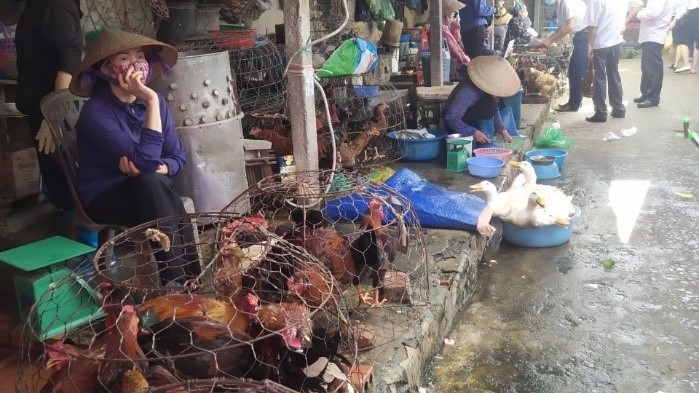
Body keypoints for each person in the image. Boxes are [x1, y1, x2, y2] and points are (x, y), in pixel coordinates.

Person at [70, 29, 200, 286]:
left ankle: (184, 280)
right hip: (105, 196)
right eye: (124, 58)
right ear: (106, 69)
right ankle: (180, 280)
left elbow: (177, 157)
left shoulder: (157, 102)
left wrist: (157, 168)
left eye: (140, 56)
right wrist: (150, 99)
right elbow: (147, 162)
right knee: (154, 186)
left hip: (150, 190)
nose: (135, 64)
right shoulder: (96, 111)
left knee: (153, 183)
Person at [15, 0, 82, 211]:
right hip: (43, 107)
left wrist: (54, 117)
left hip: (51, 110)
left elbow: (67, 63)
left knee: (64, 180)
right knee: (57, 178)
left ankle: (83, 239)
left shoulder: (54, 4)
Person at [443, 56, 519, 150]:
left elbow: (494, 109)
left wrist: (503, 131)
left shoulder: (489, 91)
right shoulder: (468, 91)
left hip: (477, 127)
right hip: (459, 129)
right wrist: (474, 132)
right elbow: (451, 118)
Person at [583, 0, 633, 123]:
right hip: (616, 41)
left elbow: (593, 25)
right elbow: (637, 6)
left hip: (601, 42)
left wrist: (589, 43)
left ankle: (601, 112)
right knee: (614, 73)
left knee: (599, 76)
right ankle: (618, 108)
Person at [540, 0, 589, 113]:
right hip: (580, 36)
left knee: (576, 72)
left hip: (584, 35)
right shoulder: (560, 5)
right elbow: (561, 27)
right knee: (574, 71)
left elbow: (569, 27)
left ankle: (574, 104)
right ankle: (574, 102)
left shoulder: (567, 3)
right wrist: (548, 41)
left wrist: (550, 40)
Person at [628, 0, 674, 108]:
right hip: (650, 35)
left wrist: (639, 12)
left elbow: (652, 12)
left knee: (653, 69)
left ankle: (653, 98)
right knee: (646, 67)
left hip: (654, 34)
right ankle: (646, 93)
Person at [669, 0, 699, 73]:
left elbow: (683, 8)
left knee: (681, 41)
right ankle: (693, 68)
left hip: (690, 14)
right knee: (697, 44)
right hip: (693, 14)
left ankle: (687, 64)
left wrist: (675, 20)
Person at [442, 0, 471, 75]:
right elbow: (454, 48)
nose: (454, 13)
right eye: (452, 11)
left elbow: (457, 40)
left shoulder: (447, 26)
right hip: (448, 63)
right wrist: (467, 60)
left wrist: (455, 26)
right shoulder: (443, 28)